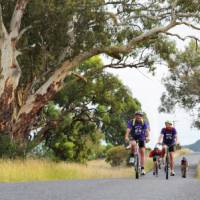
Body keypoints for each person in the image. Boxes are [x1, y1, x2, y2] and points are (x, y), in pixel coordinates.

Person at [125, 111, 150, 175]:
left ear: (141, 117)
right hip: (133, 137)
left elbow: (147, 130)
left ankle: (142, 169)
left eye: (140, 115)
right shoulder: (131, 122)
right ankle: (132, 156)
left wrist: (148, 137)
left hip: (142, 137)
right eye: (137, 115)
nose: (138, 116)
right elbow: (128, 130)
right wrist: (126, 136)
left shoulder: (144, 122)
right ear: (135, 116)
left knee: (142, 152)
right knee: (133, 144)